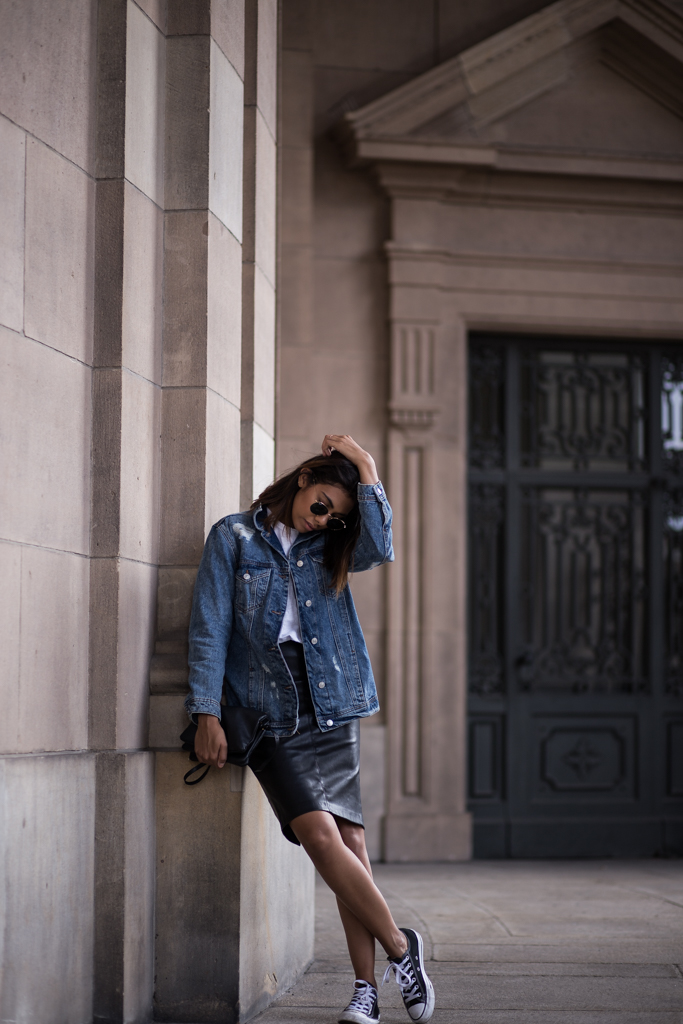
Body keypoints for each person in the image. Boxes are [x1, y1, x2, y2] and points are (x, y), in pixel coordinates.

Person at [185, 434, 435, 1024]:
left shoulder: (331, 545)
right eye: (322, 503)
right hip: (267, 707)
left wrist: (366, 467)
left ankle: (365, 991)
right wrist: (206, 712)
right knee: (320, 840)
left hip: (331, 698)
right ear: (303, 479)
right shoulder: (234, 536)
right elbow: (209, 626)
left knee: (350, 846)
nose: (323, 520)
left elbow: (380, 545)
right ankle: (404, 948)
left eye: (335, 517)